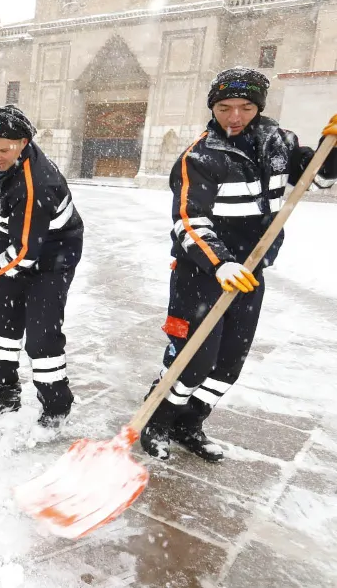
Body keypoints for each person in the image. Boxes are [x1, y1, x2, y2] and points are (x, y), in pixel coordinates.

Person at [140, 68, 337, 462]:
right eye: (225, 107)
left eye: (246, 107)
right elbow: (189, 221)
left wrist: (330, 149)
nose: (234, 116)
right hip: (201, 273)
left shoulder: (279, 142)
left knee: (229, 363)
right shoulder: (200, 155)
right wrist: (220, 263)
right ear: (212, 107)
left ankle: (188, 424)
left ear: (258, 107)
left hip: (251, 273)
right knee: (192, 361)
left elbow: (316, 179)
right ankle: (157, 421)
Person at [0, 106, 84, 428]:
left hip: (51, 258)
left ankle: (55, 404)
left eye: (4, 149)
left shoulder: (36, 183)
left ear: (24, 142)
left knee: (41, 337)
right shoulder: (5, 162)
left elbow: (25, 254)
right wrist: (1, 225)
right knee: (1, 328)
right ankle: (3, 392)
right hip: (18, 247)